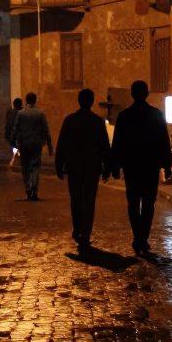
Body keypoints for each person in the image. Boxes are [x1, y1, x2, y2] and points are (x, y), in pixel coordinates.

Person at [110, 80, 172, 255]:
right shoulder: (156, 114)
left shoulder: (124, 116)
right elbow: (163, 141)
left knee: (133, 202)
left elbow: (118, 143)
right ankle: (142, 237)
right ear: (146, 94)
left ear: (132, 94)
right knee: (148, 203)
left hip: (132, 167)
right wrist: (167, 164)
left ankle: (137, 235)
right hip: (150, 166)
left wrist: (115, 165)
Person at [55, 88, 111, 256]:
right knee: (89, 200)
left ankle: (77, 228)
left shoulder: (70, 121)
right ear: (92, 102)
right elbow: (104, 146)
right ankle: (85, 232)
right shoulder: (97, 121)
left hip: (74, 167)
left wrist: (59, 165)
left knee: (76, 199)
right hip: (92, 167)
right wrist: (107, 167)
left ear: (79, 101)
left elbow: (62, 144)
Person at [11, 91, 52, 200]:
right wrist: (49, 144)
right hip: (36, 143)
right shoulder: (40, 114)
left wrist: (13, 141)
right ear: (35, 100)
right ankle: (34, 186)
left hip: (24, 143)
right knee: (35, 166)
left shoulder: (20, 113)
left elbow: (15, 129)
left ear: (26, 100)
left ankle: (28, 186)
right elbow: (45, 129)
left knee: (25, 167)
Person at [5, 97, 23, 169]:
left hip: (13, 136)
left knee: (15, 149)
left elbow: (8, 125)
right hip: (20, 136)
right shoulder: (22, 113)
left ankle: (14, 163)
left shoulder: (10, 113)